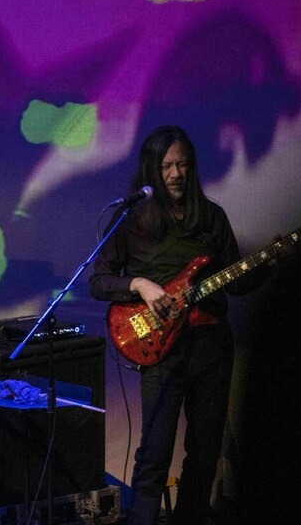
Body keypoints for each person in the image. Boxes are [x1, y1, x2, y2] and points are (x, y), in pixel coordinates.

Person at [90, 126, 265, 525]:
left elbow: (236, 284)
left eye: (183, 165)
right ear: (152, 169)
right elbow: (98, 281)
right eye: (167, 166)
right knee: (155, 450)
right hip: (161, 350)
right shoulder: (131, 219)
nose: (175, 174)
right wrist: (139, 284)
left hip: (211, 345)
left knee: (205, 449)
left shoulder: (212, 217)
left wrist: (268, 266)